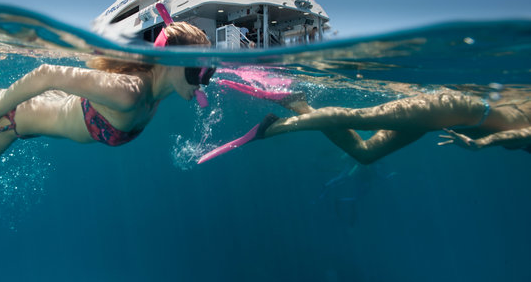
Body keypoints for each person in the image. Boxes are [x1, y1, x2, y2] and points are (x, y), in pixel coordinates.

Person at [0, 22, 213, 171]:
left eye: (208, 73)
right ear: (170, 61)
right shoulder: (130, 93)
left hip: (44, 104)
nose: (202, 83)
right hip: (14, 117)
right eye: (198, 72)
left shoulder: (159, 89)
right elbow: (46, 72)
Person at [200, 85, 531, 165]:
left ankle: (297, 104)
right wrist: (482, 144)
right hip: (455, 109)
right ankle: (272, 129)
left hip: (443, 117)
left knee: (366, 153)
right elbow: (521, 133)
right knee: (358, 117)